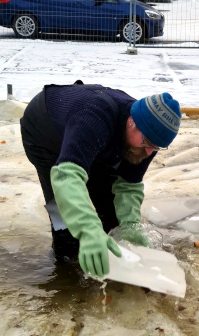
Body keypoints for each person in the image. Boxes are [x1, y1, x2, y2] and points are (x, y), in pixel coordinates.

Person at [19, 81, 181, 277]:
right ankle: (67, 267)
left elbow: (128, 185)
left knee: (112, 217)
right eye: (148, 143)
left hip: (93, 136)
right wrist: (88, 230)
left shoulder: (149, 139)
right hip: (44, 132)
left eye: (156, 147)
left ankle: (109, 264)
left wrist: (129, 225)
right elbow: (66, 177)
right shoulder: (95, 117)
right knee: (64, 218)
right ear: (131, 120)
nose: (149, 151)